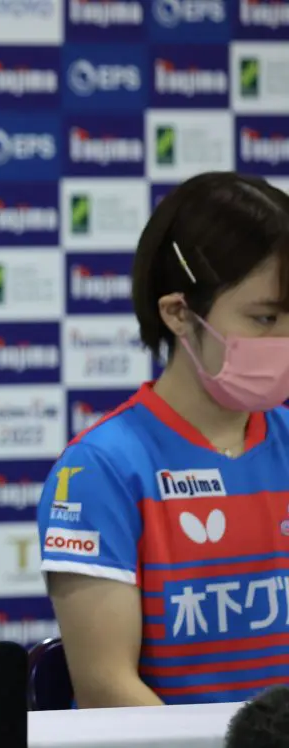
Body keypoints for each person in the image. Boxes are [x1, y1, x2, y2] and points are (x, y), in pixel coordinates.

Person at [36, 172, 289, 707]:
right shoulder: (100, 470)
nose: (284, 339)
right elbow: (107, 689)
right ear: (178, 313)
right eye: (265, 317)